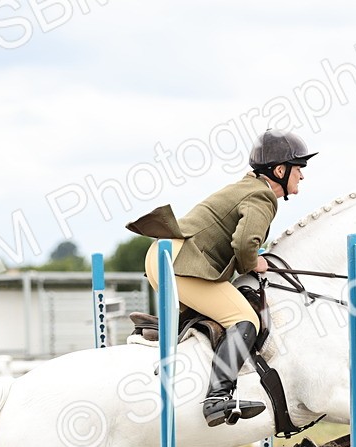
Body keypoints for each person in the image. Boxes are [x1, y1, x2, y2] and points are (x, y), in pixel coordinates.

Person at [126, 130, 316, 426]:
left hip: (165, 256)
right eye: (299, 168)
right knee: (245, 320)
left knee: (218, 312)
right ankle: (217, 399)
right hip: (181, 262)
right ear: (280, 171)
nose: (302, 176)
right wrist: (256, 263)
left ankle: (163, 328)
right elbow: (243, 245)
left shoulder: (247, 188)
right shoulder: (262, 196)